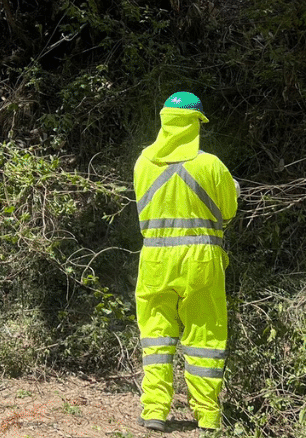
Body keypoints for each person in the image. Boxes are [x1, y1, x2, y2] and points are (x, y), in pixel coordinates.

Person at [134, 91, 239, 432]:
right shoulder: (210, 165)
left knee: (156, 338)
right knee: (205, 337)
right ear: (196, 124)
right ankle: (207, 417)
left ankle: (153, 412)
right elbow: (228, 210)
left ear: (164, 120)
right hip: (201, 259)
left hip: (154, 260)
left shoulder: (142, 163)